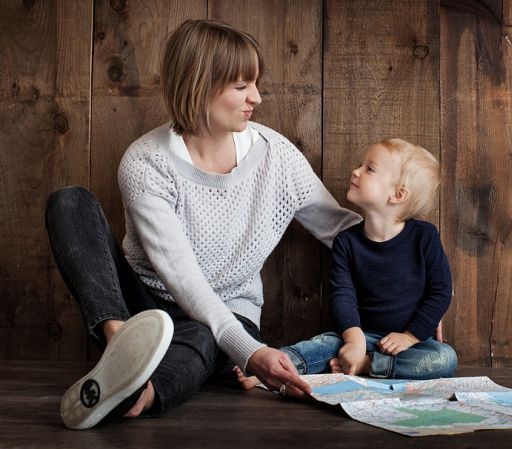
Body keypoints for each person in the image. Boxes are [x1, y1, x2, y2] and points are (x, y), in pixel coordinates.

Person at [44, 19, 361, 430]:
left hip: (227, 314)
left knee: (200, 336)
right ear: (200, 85)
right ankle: (121, 344)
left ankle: (138, 394)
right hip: (143, 306)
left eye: (255, 84)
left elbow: (342, 230)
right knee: (69, 202)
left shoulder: (276, 157)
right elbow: (182, 276)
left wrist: (415, 277)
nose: (256, 98)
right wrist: (252, 354)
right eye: (242, 86)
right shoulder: (145, 162)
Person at [236, 138, 457, 387]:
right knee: (322, 345)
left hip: (410, 343)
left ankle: (368, 365)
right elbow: (343, 295)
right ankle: (269, 368)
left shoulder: (424, 237)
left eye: (369, 169)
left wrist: (410, 336)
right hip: (360, 334)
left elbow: (440, 291)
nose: (356, 171)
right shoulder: (347, 242)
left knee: (444, 358)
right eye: (361, 165)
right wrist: (354, 340)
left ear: (398, 194)